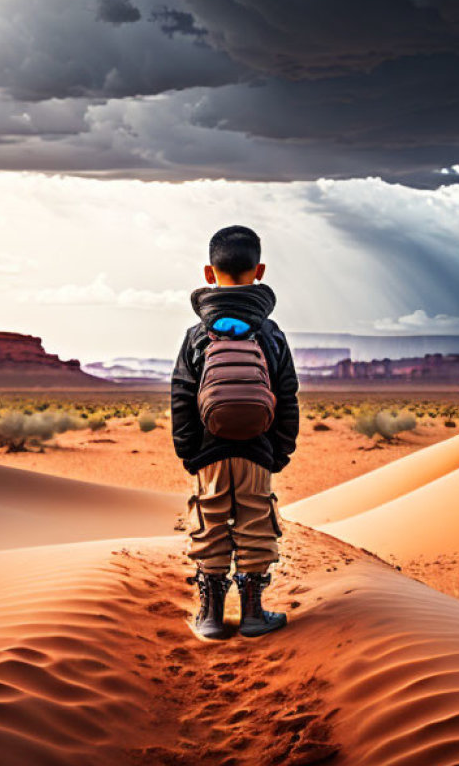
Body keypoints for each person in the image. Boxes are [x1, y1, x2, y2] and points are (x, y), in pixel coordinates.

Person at [171, 225, 300, 639]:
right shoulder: (271, 333)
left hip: (209, 452)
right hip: (257, 449)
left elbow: (182, 396)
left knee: (210, 525)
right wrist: (278, 452)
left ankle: (209, 617)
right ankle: (253, 614)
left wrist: (190, 452)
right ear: (258, 270)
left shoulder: (196, 335)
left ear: (210, 274)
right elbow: (287, 395)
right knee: (255, 524)